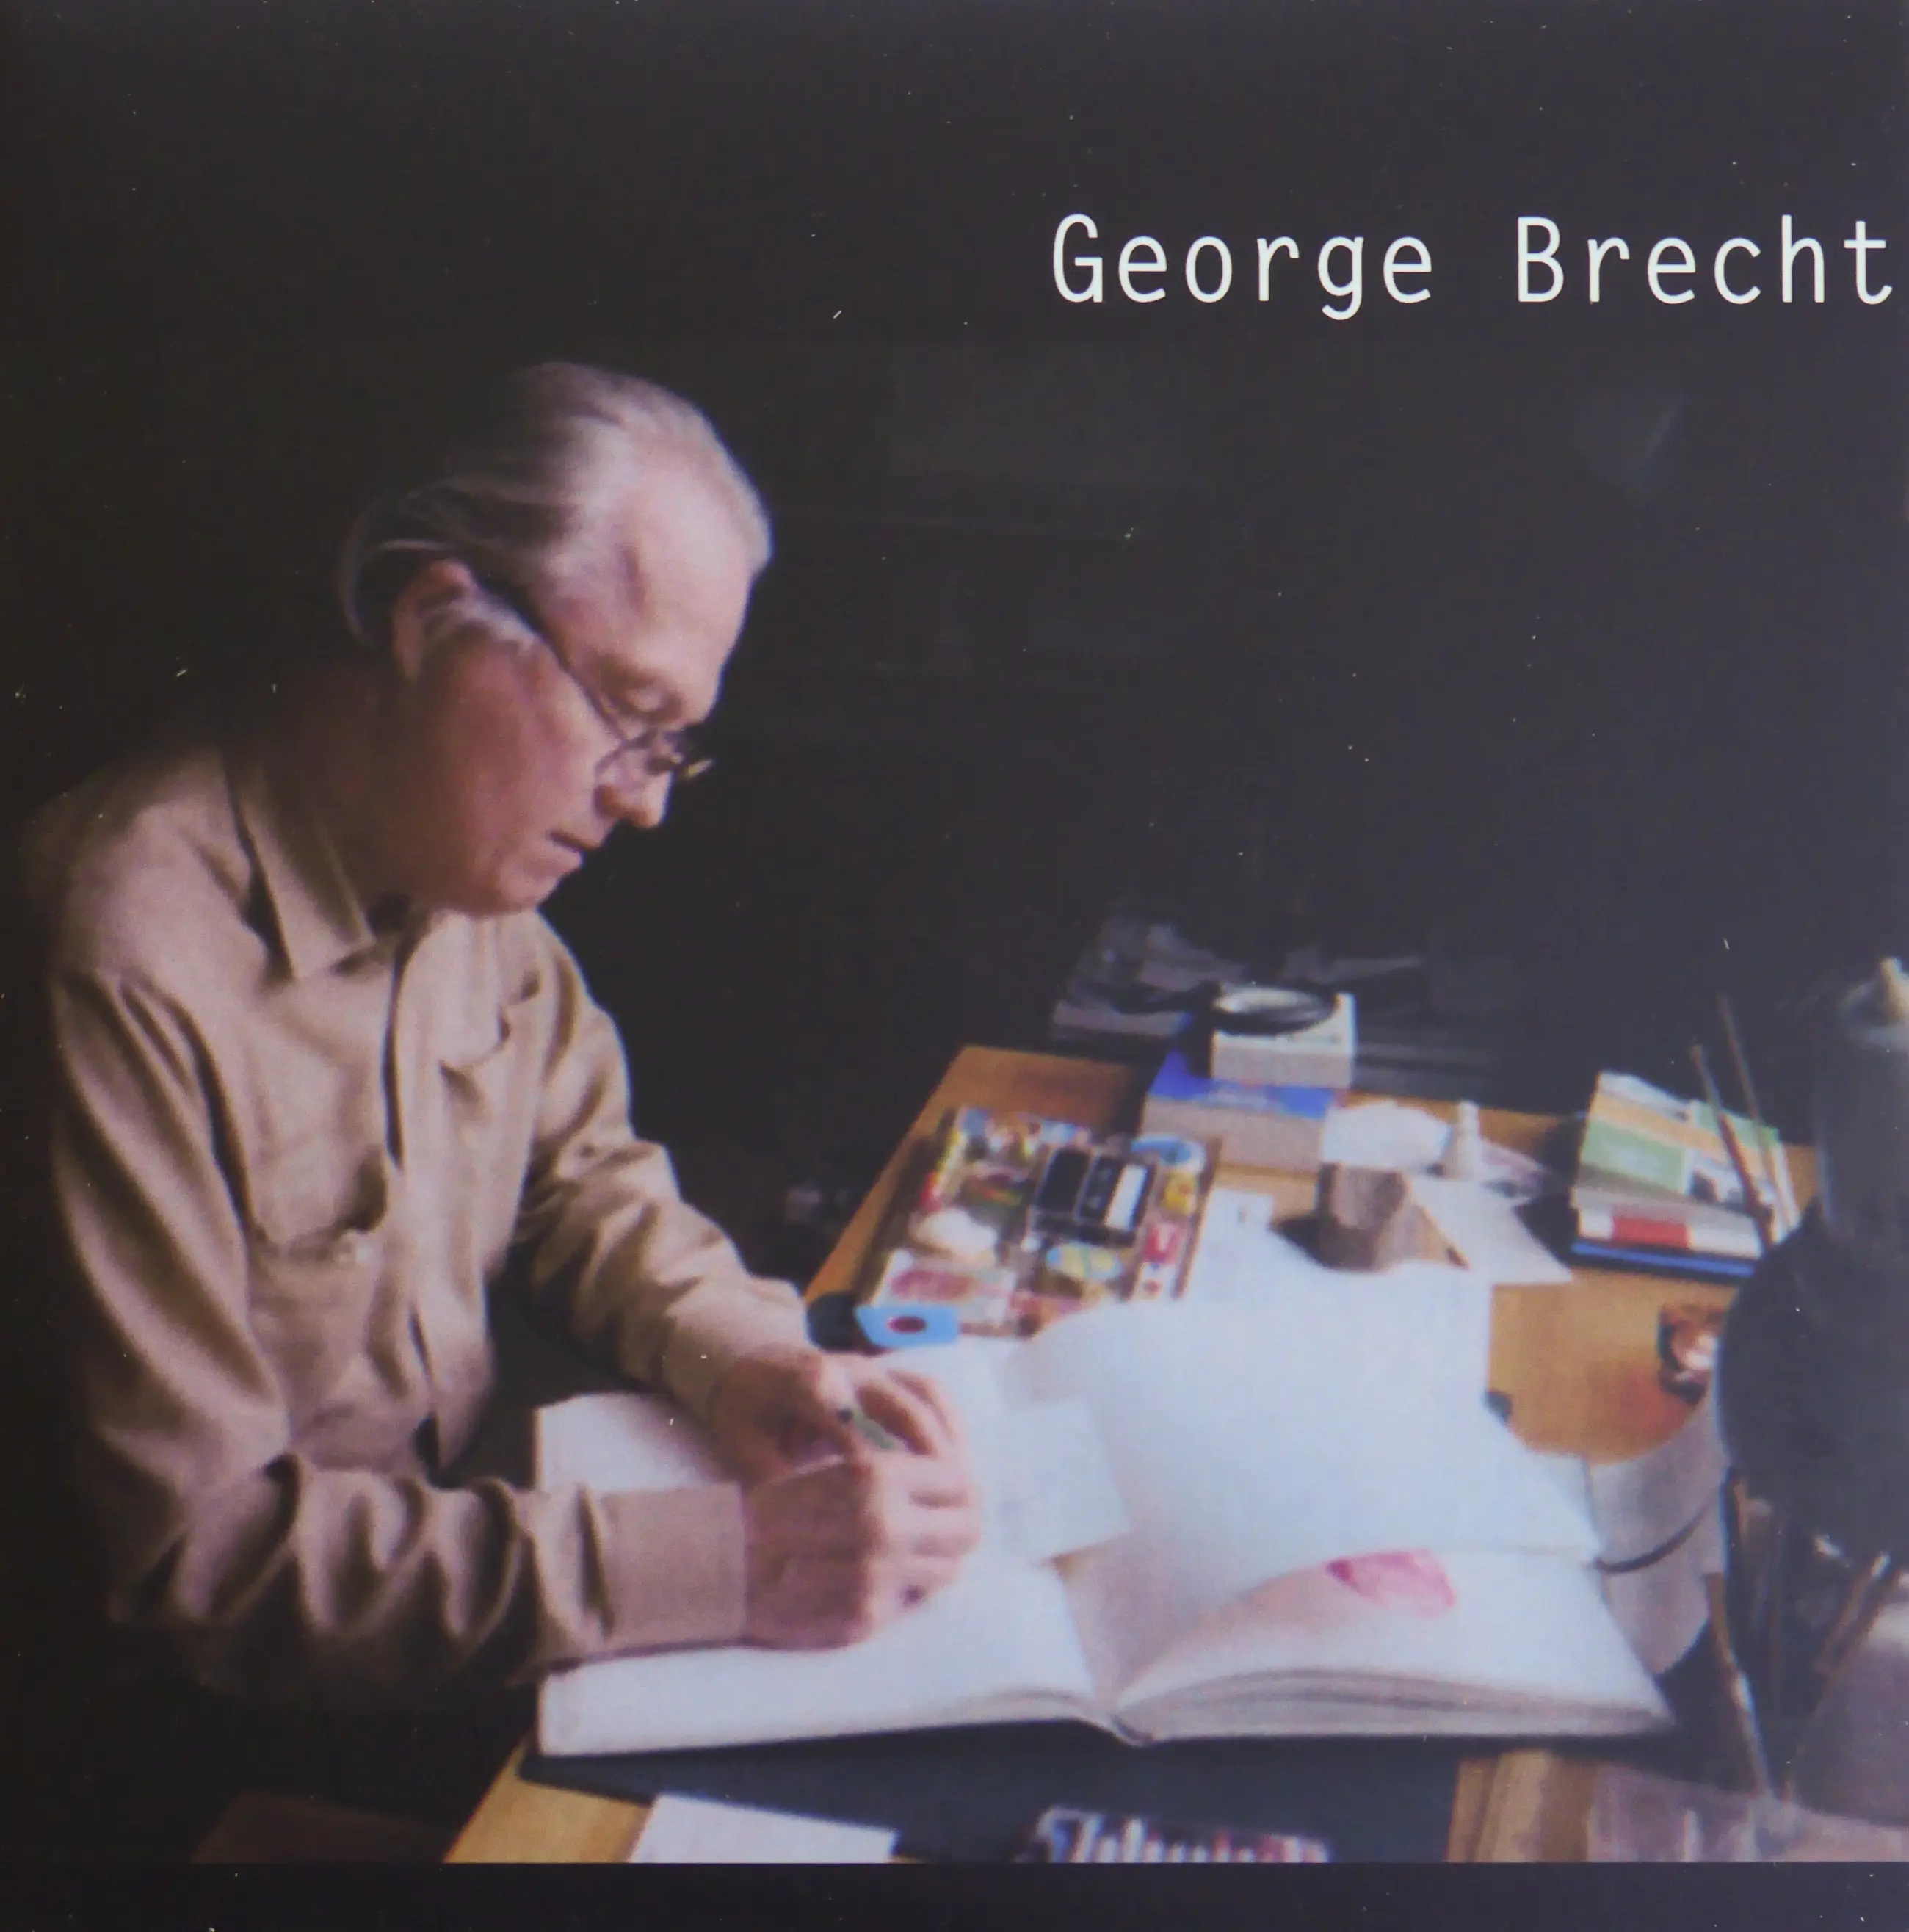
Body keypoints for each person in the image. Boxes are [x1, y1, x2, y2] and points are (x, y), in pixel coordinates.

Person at [21, 363, 982, 1723]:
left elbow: (582, 1179)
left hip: (456, 1591)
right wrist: (727, 1563)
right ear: (431, 620)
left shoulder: (457, 864)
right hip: (206, 1728)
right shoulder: (120, 947)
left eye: (672, 744)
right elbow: (200, 1557)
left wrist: (743, 1356)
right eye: (628, 714)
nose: (644, 803)